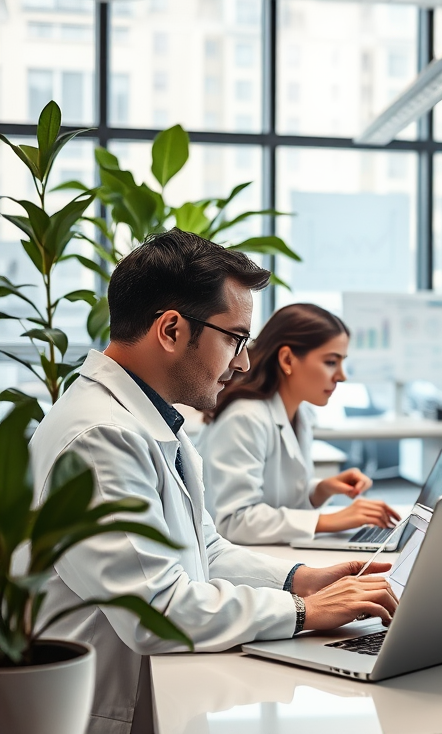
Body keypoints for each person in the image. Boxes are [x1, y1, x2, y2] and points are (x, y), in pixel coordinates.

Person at [30, 230, 397, 734]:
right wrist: (303, 610)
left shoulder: (151, 420)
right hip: (103, 713)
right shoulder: (99, 437)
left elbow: (205, 549)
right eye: (235, 338)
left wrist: (298, 579)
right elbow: (154, 610)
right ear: (172, 330)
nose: (244, 361)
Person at [199, 303, 400, 544]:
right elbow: (234, 521)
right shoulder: (244, 417)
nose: (341, 376)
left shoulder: (300, 413)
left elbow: (277, 501)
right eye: (330, 362)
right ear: (287, 359)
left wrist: (321, 490)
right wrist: (327, 521)